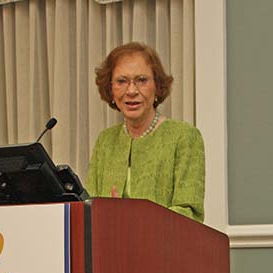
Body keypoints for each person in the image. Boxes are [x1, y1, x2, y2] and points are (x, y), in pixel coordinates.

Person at [86, 42, 205, 222]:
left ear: (157, 86)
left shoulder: (184, 136)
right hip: (110, 247)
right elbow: (89, 207)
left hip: (164, 248)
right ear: (110, 89)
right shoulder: (105, 141)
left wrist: (131, 217)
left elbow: (190, 213)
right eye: (121, 81)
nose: (132, 91)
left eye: (141, 80)